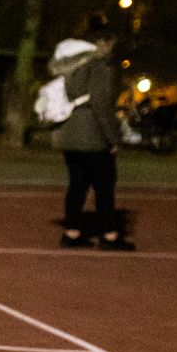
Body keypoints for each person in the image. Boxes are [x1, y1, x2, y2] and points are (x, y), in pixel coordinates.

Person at [50, 18, 130, 250]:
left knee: (77, 184)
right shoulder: (101, 65)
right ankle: (110, 235)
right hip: (93, 134)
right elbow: (101, 103)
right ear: (103, 42)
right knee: (104, 185)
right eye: (110, 44)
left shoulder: (73, 64)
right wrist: (112, 139)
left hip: (70, 131)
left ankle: (72, 232)